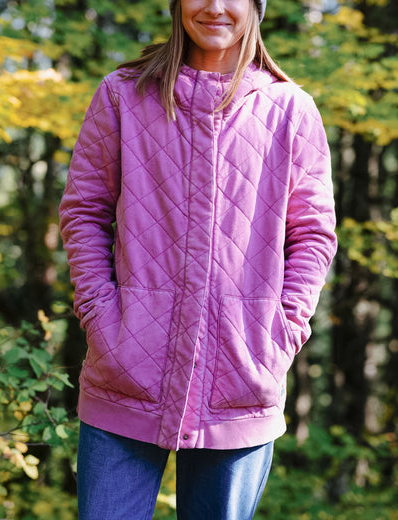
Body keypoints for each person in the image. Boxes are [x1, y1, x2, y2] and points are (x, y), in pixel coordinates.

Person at [59, 0, 337, 518]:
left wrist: (281, 333)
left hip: (242, 383)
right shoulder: (122, 94)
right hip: (123, 376)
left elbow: (313, 236)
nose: (214, 7)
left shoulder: (290, 109)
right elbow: (84, 212)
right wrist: (101, 318)